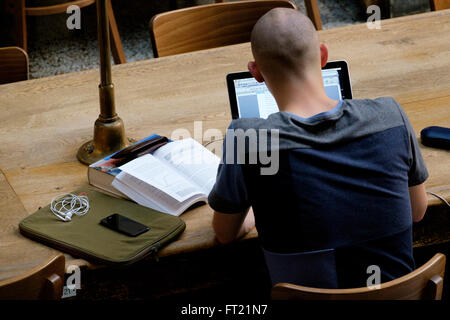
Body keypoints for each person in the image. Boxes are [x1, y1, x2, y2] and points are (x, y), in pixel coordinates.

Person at [207, 8, 429, 289]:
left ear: (256, 73)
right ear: (323, 56)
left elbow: (225, 234)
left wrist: (251, 213)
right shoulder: (390, 116)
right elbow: (417, 211)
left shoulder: (247, 139)